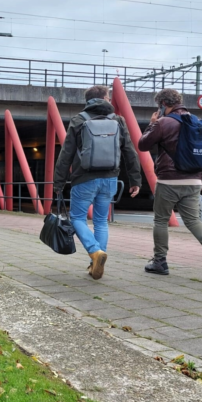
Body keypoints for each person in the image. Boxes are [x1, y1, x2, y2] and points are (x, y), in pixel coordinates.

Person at [137, 88, 202, 282]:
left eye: (158, 106)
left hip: (168, 180)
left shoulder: (163, 122)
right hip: (194, 180)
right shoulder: (196, 122)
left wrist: (151, 125)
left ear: (163, 104)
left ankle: (160, 262)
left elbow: (143, 145)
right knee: (194, 220)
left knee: (161, 220)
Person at [53, 85, 142, 280]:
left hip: (83, 179)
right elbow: (129, 151)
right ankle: (96, 260)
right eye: (108, 97)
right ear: (103, 98)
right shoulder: (118, 120)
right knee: (101, 221)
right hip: (110, 178)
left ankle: (95, 252)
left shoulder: (78, 120)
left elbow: (66, 154)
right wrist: (135, 179)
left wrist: (58, 183)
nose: (109, 99)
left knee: (77, 218)